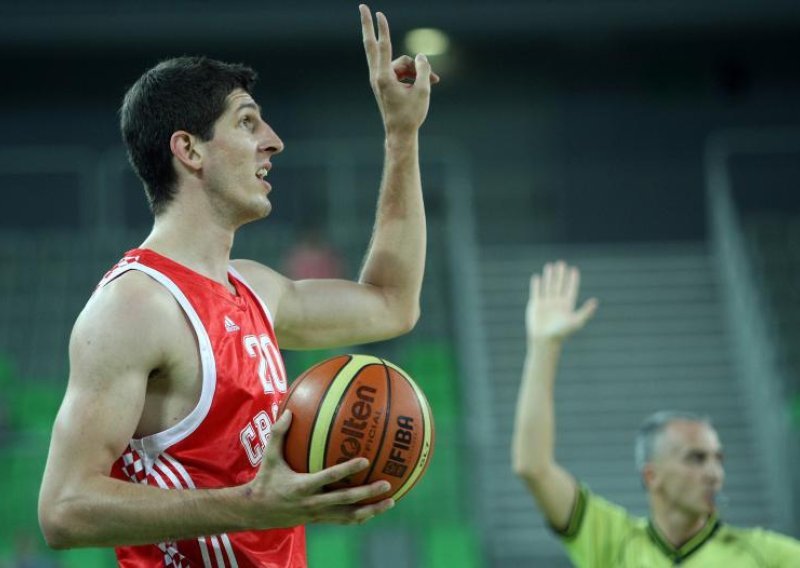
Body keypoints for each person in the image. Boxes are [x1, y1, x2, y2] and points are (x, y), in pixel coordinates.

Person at [38, 5, 437, 567]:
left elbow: (393, 304)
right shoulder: (135, 306)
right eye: (247, 123)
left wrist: (401, 135)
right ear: (190, 150)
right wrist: (250, 506)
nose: (273, 142)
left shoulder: (254, 289)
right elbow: (64, 509)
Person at [512, 261, 800, 567]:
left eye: (718, 459)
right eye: (696, 458)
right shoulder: (611, 541)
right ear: (652, 476)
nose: (715, 474)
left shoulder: (766, 555)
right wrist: (543, 347)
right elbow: (533, 467)